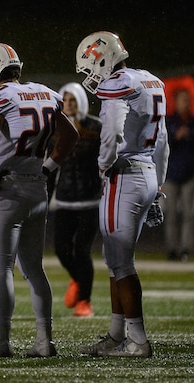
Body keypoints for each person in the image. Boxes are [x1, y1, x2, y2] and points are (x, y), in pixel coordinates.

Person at [0, 43, 79, 358]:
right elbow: (71, 136)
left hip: (8, 189)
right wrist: (49, 167)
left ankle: (1, 341)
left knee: (1, 269)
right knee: (34, 269)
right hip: (38, 188)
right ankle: (45, 341)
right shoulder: (45, 93)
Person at [75, 31, 169, 358]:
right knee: (116, 260)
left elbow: (112, 131)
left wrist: (104, 164)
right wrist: (158, 187)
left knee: (121, 262)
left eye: (90, 67)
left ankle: (138, 340)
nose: (91, 75)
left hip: (125, 175)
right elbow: (163, 143)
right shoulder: (151, 81)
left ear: (102, 58)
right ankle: (117, 334)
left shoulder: (118, 84)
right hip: (147, 174)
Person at [48, 82, 103, 318]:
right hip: (65, 198)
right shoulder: (55, 127)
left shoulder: (96, 127)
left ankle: (85, 301)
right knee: (61, 249)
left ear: (80, 101)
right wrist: (45, 197)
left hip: (89, 200)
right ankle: (78, 280)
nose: (68, 104)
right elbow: (51, 167)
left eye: (72, 100)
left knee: (82, 250)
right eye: (65, 100)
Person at [162, 89, 194, 262]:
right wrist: (176, 136)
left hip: (189, 175)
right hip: (172, 174)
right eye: (183, 100)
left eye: (188, 100)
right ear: (176, 102)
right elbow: (163, 146)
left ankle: (186, 249)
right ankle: (172, 249)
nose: (186, 103)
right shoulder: (169, 122)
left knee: (189, 215)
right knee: (172, 215)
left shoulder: (192, 122)